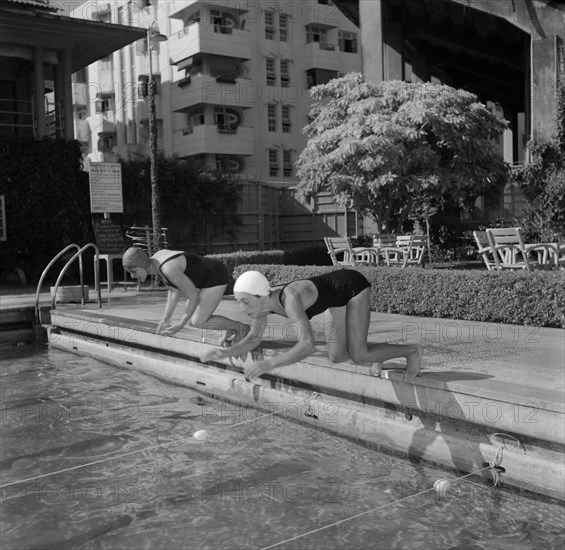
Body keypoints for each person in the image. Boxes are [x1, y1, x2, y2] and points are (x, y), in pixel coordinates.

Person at [201, 269, 423, 381]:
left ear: (260, 295)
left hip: (352, 288)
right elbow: (253, 338)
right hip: (335, 299)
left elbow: (307, 345)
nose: (242, 308)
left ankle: (412, 351)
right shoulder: (263, 305)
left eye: (245, 302)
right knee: (337, 356)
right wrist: (226, 351)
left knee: (359, 356)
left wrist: (269, 364)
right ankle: (379, 351)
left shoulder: (290, 299)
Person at [122, 247, 248, 341]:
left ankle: (241, 328)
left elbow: (193, 296)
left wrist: (180, 325)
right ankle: (232, 328)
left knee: (197, 322)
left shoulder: (167, 268)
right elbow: (174, 290)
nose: (133, 276)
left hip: (214, 276)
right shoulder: (156, 263)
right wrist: (166, 317)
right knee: (193, 320)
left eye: (133, 271)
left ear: (143, 264)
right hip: (202, 280)